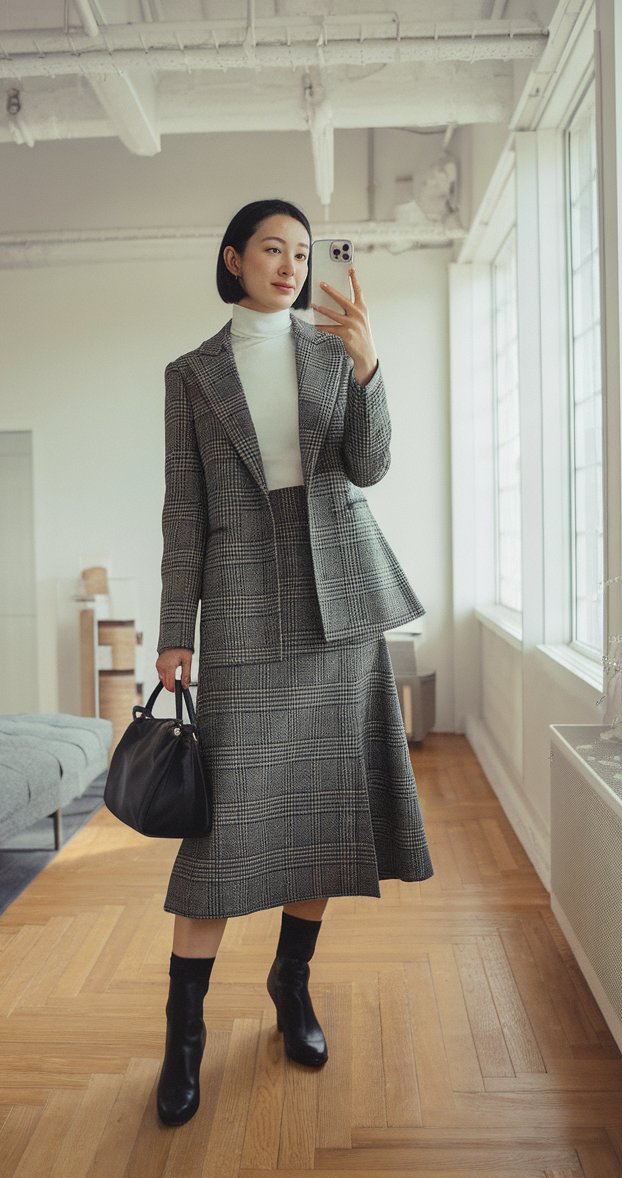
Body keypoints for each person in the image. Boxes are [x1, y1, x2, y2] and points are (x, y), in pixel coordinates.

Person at [153, 198, 433, 1126]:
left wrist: (369, 364)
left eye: (301, 251)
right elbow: (183, 509)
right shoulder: (192, 374)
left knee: (318, 811)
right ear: (233, 258)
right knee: (224, 827)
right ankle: (183, 1040)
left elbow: (372, 464)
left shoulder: (328, 352)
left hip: (339, 600)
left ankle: (292, 987)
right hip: (238, 601)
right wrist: (173, 628)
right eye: (272, 248)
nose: (290, 263)